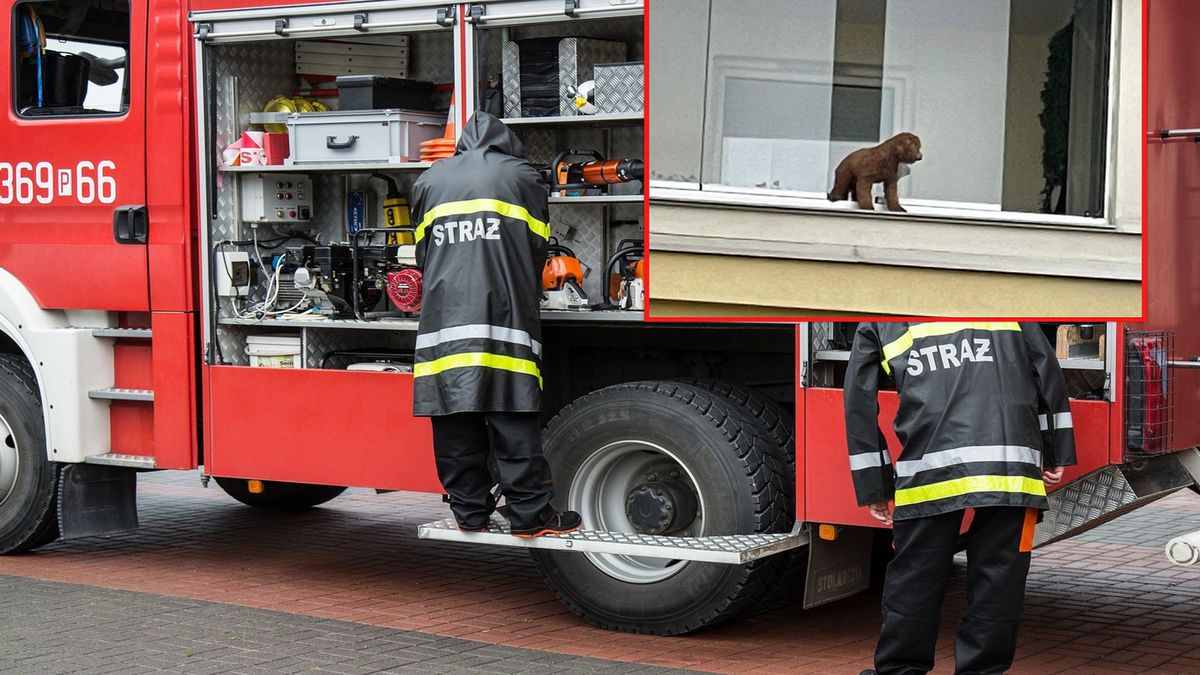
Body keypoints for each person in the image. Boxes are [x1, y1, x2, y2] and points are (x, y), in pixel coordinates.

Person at [843, 322, 1076, 675]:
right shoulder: (1006, 299)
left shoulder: (884, 311)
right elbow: (1047, 371)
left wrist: (874, 482)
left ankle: (900, 670)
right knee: (999, 580)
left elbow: (858, 400)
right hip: (1011, 467)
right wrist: (1055, 448)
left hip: (929, 469)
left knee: (916, 576)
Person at [410, 111, 581, 538]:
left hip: (442, 322)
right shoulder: (523, 177)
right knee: (512, 415)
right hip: (503, 319)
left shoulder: (430, 180)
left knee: (454, 416)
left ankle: (469, 512)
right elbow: (536, 248)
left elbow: (423, 256)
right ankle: (530, 516)